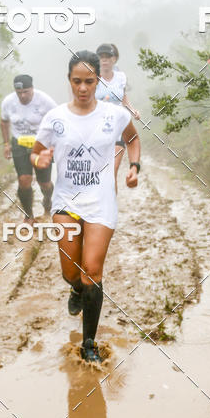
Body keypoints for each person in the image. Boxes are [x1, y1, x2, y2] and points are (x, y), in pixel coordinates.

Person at [31, 51, 141, 363]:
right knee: (72, 273)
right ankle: (76, 289)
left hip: (101, 201)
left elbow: (132, 139)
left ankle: (88, 343)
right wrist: (41, 159)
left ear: (98, 82)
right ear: (69, 80)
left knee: (91, 271)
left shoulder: (114, 114)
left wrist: (135, 167)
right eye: (77, 81)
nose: (82, 88)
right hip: (66, 202)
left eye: (89, 81)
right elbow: (36, 152)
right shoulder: (55, 118)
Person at [0, 74, 57, 221]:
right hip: (20, 144)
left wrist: (55, 144)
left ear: (32, 88)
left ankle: (47, 200)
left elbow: (59, 121)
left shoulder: (45, 101)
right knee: (24, 180)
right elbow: (4, 122)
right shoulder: (8, 102)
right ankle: (28, 216)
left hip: (41, 144)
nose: (23, 96)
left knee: (44, 183)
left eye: (26, 92)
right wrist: (6, 144)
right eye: (19, 93)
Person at [95, 43, 140, 186]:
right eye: (101, 57)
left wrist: (133, 111)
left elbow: (124, 100)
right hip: (96, 128)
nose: (104, 60)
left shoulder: (121, 77)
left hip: (117, 127)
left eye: (107, 57)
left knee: (111, 172)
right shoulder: (92, 78)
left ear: (114, 59)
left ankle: (110, 201)